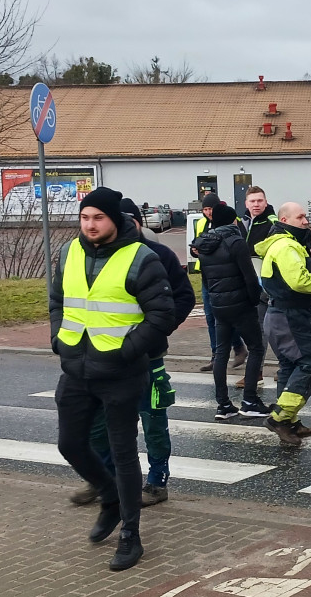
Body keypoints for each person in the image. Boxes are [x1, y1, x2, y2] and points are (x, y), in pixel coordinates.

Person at [50, 186, 175, 571]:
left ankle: (130, 536)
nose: (90, 224)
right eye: (85, 217)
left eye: (98, 218)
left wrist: (125, 351)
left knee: (123, 455)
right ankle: (109, 498)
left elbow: (162, 316)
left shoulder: (141, 257)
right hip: (75, 368)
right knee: (70, 444)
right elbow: (58, 300)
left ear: (113, 220)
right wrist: (58, 339)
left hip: (121, 373)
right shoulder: (68, 252)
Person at [69, 198, 195, 508]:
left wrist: (154, 331)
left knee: (152, 421)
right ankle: (103, 478)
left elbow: (182, 298)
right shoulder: (92, 256)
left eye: (129, 219)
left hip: (147, 360)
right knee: (96, 427)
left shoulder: (158, 255)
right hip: (101, 362)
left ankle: (156, 482)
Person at [254, 202, 311, 446]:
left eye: (305, 216)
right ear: (284, 219)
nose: (305, 221)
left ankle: (289, 423)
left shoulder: (278, 243)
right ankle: (280, 418)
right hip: (293, 315)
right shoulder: (287, 245)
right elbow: (299, 281)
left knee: (289, 365)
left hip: (278, 314)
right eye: (300, 217)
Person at [191, 204, 270, 420]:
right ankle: (250, 400)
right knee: (256, 348)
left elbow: (206, 280)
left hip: (218, 306)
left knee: (221, 353)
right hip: (241, 305)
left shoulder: (204, 245)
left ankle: (223, 404)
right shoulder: (236, 242)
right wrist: (255, 300)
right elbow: (249, 276)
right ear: (233, 221)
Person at [193, 193, 246, 372]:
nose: (208, 213)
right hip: (206, 275)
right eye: (205, 209)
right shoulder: (201, 224)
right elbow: (199, 245)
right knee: (210, 317)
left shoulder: (231, 220)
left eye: (210, 209)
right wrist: (195, 251)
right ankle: (216, 355)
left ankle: (237, 347)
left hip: (224, 276)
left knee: (224, 317)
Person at [237, 185, 277, 388]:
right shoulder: (241, 223)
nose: (256, 204)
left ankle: (256, 372)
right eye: (252, 201)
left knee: (264, 329)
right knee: (265, 328)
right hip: (247, 284)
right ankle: (284, 366)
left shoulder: (273, 223)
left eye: (259, 200)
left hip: (266, 284)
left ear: (266, 202)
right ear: (246, 204)